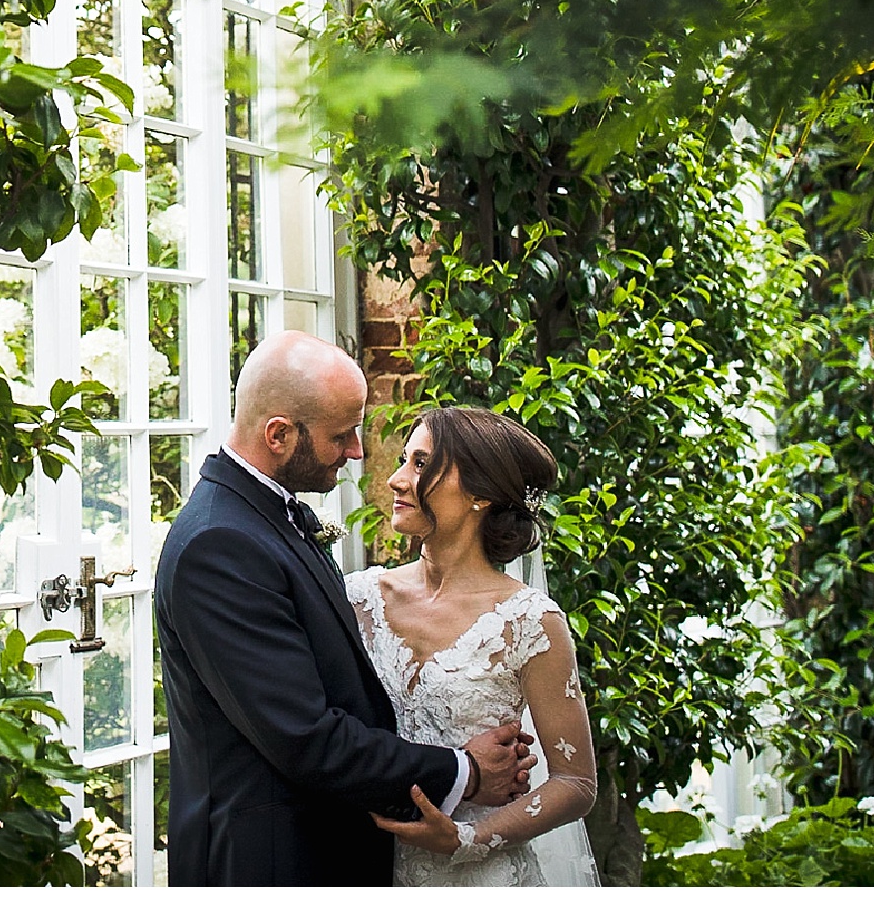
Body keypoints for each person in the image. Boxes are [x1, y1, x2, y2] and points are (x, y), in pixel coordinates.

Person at [156, 331, 536, 885]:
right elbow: (306, 737)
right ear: (279, 435)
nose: (358, 451)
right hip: (267, 864)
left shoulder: (260, 517)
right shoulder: (219, 545)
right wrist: (466, 770)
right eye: (343, 435)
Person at [352, 405, 600, 886]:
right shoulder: (358, 599)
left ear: (480, 494)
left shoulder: (531, 622)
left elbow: (576, 783)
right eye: (405, 461)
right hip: (368, 865)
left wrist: (467, 840)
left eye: (421, 464)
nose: (397, 480)